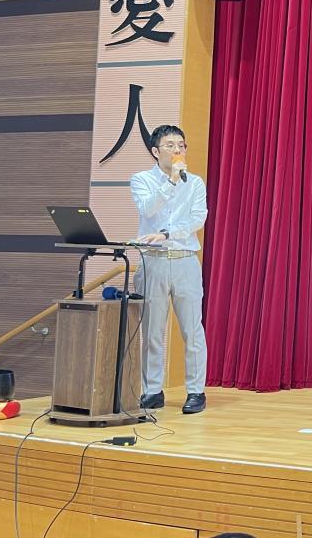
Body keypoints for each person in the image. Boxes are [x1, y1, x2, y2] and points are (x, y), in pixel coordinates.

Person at [131, 125, 209, 414]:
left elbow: (198, 219)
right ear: (156, 151)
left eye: (181, 145)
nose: (178, 150)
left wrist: (167, 234)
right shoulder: (141, 179)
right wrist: (172, 181)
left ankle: (196, 391)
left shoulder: (195, 182)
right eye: (170, 145)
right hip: (153, 261)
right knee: (152, 330)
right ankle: (152, 390)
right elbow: (148, 209)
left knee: (192, 329)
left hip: (185, 259)